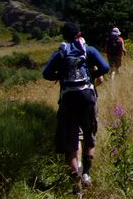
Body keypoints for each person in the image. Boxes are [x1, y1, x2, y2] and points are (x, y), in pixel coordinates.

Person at [42, 23, 110, 187]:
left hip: (68, 101)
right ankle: (86, 173)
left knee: (71, 141)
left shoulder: (61, 53)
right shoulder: (89, 50)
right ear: (79, 34)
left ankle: (76, 178)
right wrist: (92, 74)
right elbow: (105, 67)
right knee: (89, 137)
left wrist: (61, 75)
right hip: (88, 99)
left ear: (64, 36)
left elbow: (46, 73)